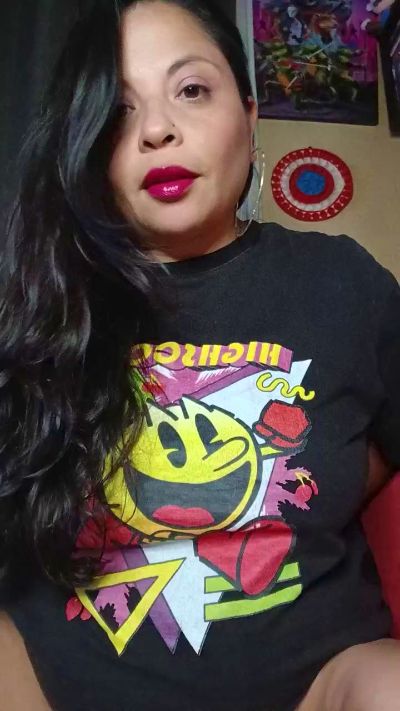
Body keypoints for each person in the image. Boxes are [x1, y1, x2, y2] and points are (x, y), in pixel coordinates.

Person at [1, 1, 400, 710]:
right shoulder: (38, 298)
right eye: (119, 110)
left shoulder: (343, 282)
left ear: (249, 114)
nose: (157, 129)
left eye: (191, 89)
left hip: (319, 683)